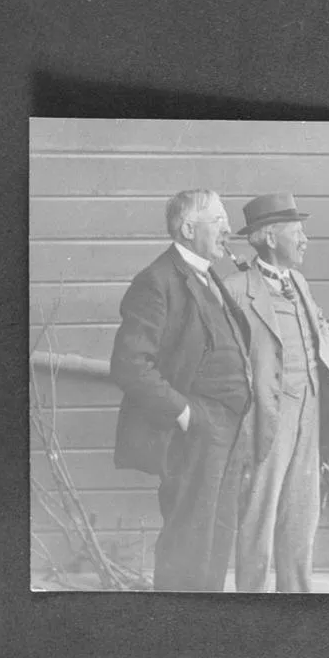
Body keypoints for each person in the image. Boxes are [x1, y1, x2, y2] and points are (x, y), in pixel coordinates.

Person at [109, 189, 253, 591]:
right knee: (187, 545)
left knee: (215, 542)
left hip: (228, 432)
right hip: (195, 434)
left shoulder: (208, 276)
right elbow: (129, 365)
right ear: (189, 228)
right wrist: (187, 415)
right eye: (219, 220)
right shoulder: (157, 281)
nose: (228, 229)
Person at [224, 193, 329, 593]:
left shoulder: (300, 282)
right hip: (266, 419)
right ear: (270, 238)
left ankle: (296, 603)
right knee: (257, 518)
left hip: (310, 412)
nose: (305, 240)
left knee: (300, 519)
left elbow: (318, 333)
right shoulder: (237, 289)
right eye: (298, 232)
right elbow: (222, 361)